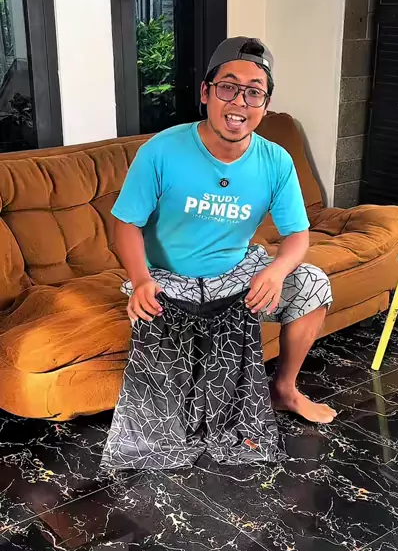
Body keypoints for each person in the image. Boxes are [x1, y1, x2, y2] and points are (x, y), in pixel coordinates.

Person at [112, 36, 336, 425]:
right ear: (206, 93)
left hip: (234, 273)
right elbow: (126, 223)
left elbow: (298, 234)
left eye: (254, 93)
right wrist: (141, 279)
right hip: (168, 279)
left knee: (312, 284)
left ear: (265, 104)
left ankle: (284, 390)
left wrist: (276, 271)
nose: (239, 102)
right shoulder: (161, 151)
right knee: (182, 416)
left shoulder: (276, 161)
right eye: (228, 88)